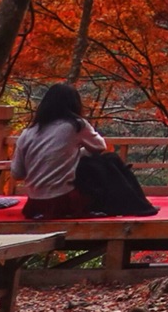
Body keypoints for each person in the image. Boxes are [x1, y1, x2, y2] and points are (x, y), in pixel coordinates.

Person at [11, 84, 109, 219]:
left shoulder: (27, 133)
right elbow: (100, 146)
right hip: (64, 200)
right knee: (108, 160)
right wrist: (78, 153)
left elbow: (17, 173)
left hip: (34, 204)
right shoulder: (75, 125)